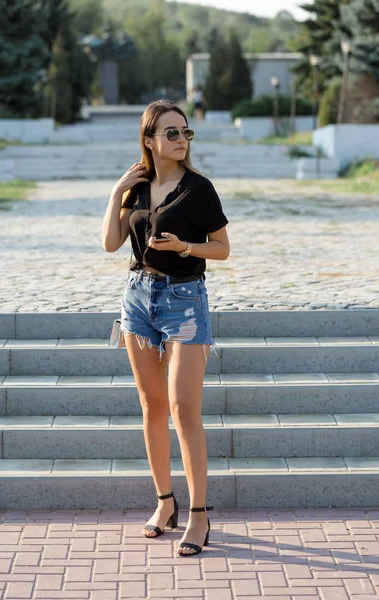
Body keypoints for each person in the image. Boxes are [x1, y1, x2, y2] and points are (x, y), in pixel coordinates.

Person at [102, 99, 230, 556]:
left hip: (185, 301)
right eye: (172, 132)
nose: (181, 139)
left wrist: (184, 247)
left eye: (185, 132)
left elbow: (222, 249)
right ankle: (164, 503)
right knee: (152, 406)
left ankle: (199, 515)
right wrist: (118, 187)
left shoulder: (199, 189)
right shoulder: (135, 187)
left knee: (184, 409)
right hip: (137, 298)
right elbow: (111, 242)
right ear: (150, 139)